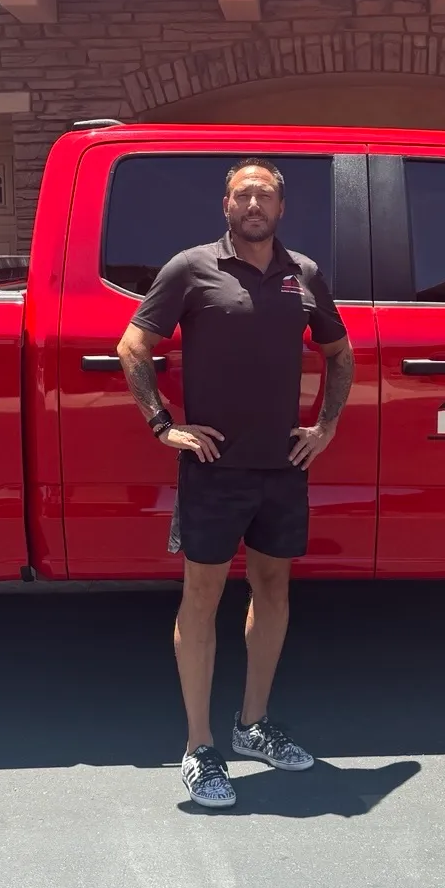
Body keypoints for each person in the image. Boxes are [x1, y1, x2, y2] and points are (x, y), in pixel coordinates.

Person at [116, 158, 355, 809]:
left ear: (281, 208)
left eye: (266, 194)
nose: (254, 203)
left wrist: (325, 425)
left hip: (282, 467)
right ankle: (199, 747)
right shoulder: (191, 269)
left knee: (273, 587)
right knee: (202, 596)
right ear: (225, 204)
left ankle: (252, 726)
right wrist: (165, 426)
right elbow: (132, 346)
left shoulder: (302, 274)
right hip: (214, 471)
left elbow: (341, 352)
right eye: (243, 193)